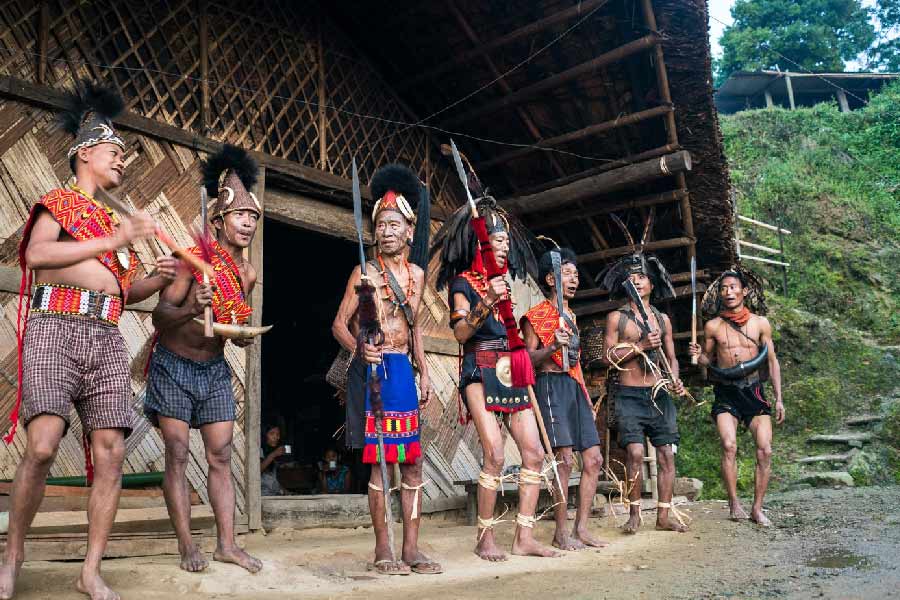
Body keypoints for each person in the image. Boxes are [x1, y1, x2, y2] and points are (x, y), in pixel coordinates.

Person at [0, 83, 178, 600]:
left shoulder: (107, 218)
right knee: (41, 446)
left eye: (122, 153)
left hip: (105, 336)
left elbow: (123, 291)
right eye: (113, 150)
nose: (122, 158)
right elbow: (35, 256)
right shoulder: (60, 202)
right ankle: (13, 554)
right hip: (54, 329)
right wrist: (120, 239)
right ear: (84, 154)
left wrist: (159, 278)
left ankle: (90, 570)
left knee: (112, 452)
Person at [144, 145, 262, 574]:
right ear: (219, 220)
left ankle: (226, 544)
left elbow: (235, 330)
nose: (248, 224)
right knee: (176, 453)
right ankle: (186, 544)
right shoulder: (191, 262)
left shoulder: (246, 274)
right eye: (240, 216)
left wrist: (244, 337)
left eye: (253, 217)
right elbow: (159, 317)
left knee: (221, 455)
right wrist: (195, 307)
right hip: (173, 364)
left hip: (214, 369)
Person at [434, 166, 560, 562]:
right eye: (498, 242)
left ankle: (524, 537)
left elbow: (516, 337)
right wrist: (486, 301)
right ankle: (485, 537)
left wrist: (525, 351)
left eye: (507, 242)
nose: (505, 248)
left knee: (534, 453)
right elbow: (459, 335)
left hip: (510, 369)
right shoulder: (464, 285)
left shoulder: (509, 288)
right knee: (494, 454)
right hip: (478, 367)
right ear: (481, 245)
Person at [332, 163, 441, 575]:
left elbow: (416, 330)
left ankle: (411, 549)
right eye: (380, 224)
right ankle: (383, 550)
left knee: (412, 462)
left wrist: (425, 371)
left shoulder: (416, 275)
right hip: (373, 372)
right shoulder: (364, 273)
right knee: (380, 461)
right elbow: (339, 325)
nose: (387, 230)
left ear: (410, 231)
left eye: (394, 223)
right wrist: (360, 348)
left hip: (403, 374)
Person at [601, 218, 686, 535]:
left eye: (643, 278)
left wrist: (674, 379)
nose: (638, 282)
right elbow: (610, 358)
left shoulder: (663, 319)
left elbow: (672, 359)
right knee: (635, 453)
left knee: (666, 454)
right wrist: (639, 346)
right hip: (628, 395)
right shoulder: (617, 318)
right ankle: (634, 515)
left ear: (652, 284)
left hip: (658, 395)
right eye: (632, 278)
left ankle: (664, 515)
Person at [520, 248, 606, 550]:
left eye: (576, 274)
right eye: (567, 273)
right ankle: (560, 532)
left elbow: (575, 362)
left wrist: (584, 395)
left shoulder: (570, 316)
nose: (575, 279)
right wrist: (551, 345)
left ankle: (581, 528)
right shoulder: (535, 317)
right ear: (551, 278)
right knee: (564, 461)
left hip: (572, 386)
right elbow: (527, 361)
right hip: (549, 385)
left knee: (594, 458)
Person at [689, 265, 783, 527]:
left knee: (765, 450)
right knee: (729, 446)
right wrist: (698, 356)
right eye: (723, 288)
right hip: (726, 391)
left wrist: (779, 398)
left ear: (744, 291)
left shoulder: (760, 323)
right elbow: (708, 359)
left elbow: (773, 362)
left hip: (754, 390)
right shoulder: (713, 326)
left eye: (733, 287)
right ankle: (733, 503)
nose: (728, 292)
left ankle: (757, 508)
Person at [260, 424, 288, 496]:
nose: (276, 437)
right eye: (272, 433)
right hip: (262, 496)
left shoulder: (270, 452)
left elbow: (273, 480)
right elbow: (258, 470)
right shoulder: (258, 450)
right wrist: (274, 454)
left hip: (273, 494)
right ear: (264, 435)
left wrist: (285, 492)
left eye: (278, 434)